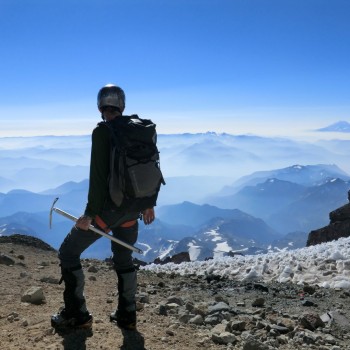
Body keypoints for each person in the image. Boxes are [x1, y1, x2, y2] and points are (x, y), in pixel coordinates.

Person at [51, 84, 155, 331]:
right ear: (122, 105)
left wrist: (89, 214)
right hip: (133, 211)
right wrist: (149, 203)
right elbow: (151, 168)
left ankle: (77, 315)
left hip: (108, 211)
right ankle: (127, 316)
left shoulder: (102, 132)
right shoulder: (142, 131)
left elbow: (98, 177)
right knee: (124, 259)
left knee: (68, 252)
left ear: (100, 106)